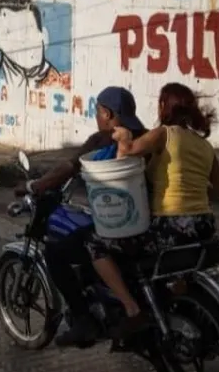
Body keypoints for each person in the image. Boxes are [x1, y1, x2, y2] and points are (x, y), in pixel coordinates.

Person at [87, 82, 219, 330]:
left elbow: (125, 156)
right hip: (203, 226)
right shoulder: (205, 146)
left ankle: (131, 307)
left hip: (172, 227)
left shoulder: (164, 134)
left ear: (163, 106)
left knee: (95, 243)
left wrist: (124, 136)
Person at [14, 86, 148, 347]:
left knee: (55, 253)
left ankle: (83, 320)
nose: (96, 117)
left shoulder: (101, 140)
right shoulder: (145, 136)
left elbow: (67, 168)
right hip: (145, 220)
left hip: (118, 223)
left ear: (107, 113)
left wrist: (35, 186)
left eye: (97, 111)